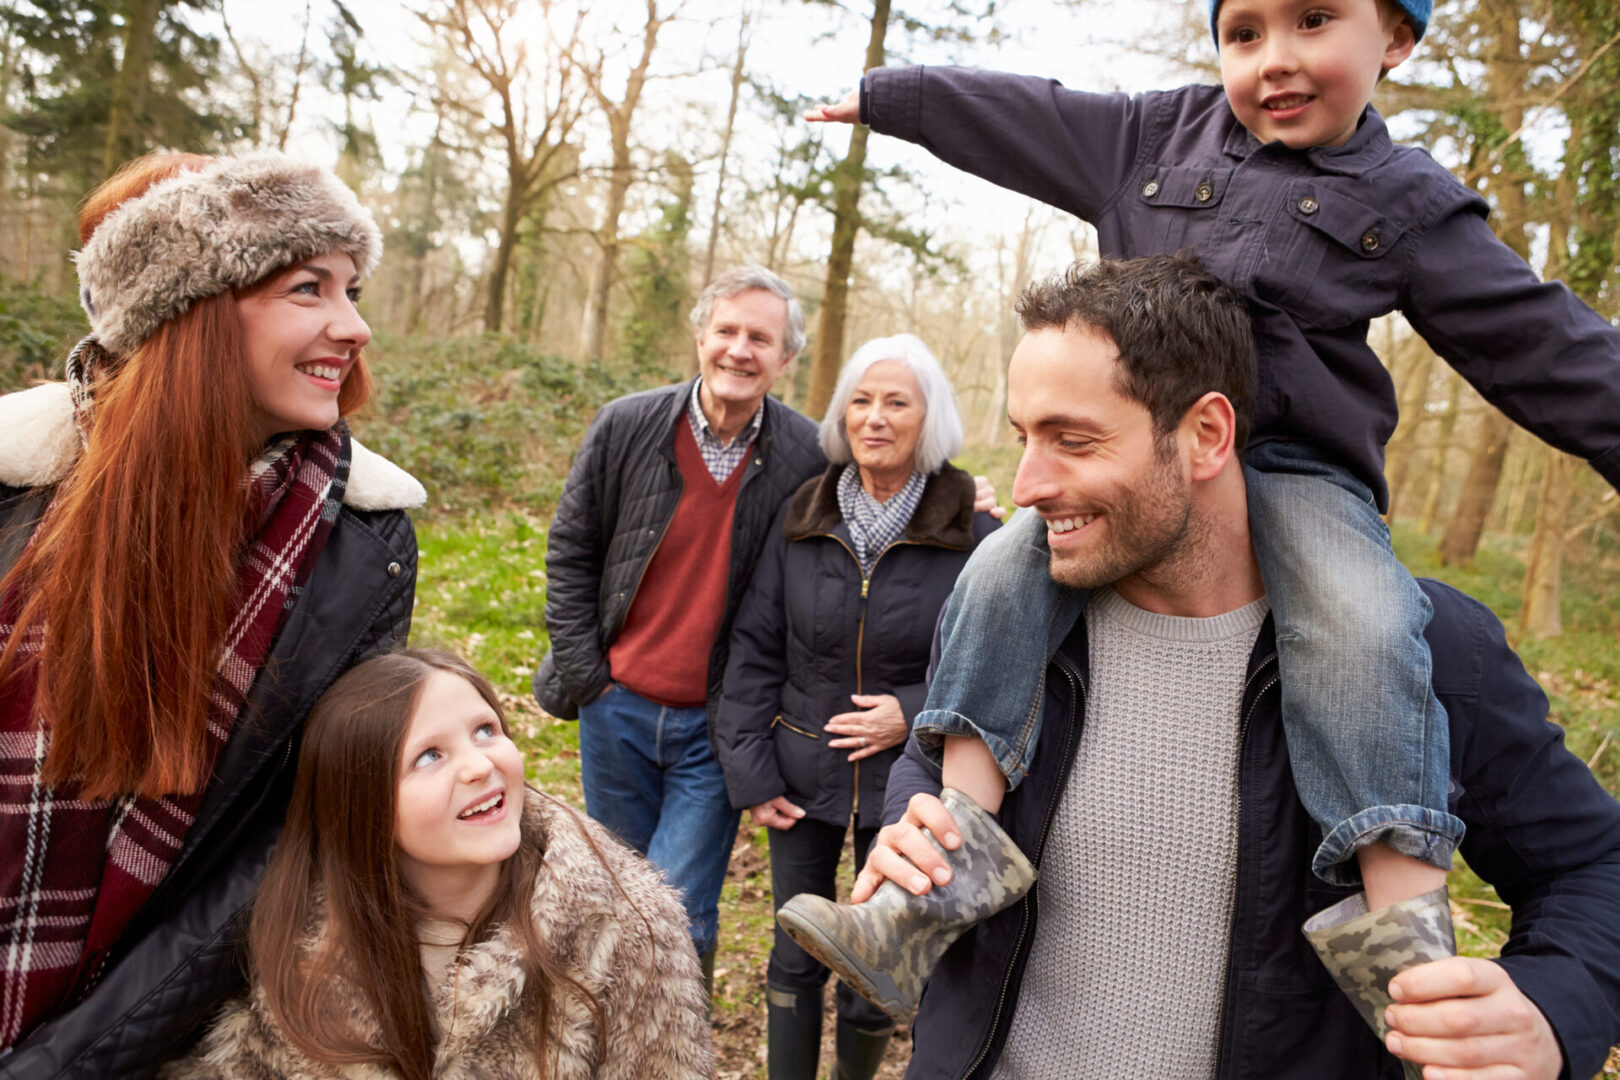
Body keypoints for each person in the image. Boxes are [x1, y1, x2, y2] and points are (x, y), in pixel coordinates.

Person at [796, 0, 1620, 1017]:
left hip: (1301, 475)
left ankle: (1408, 949)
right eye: (1245, 32)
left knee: (1361, 624)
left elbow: (1543, 344)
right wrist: (896, 95)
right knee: (1000, 571)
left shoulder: (1405, 200)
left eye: (1315, 20)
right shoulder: (1154, 136)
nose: (1276, 59)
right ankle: (935, 886)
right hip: (1137, 463)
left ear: (1397, 40)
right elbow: (1032, 116)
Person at [819, 256, 1620, 1080]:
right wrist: (912, 821)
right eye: (1026, 438)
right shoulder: (1013, 615)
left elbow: (1595, 866)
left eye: (1074, 441)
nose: (1027, 486)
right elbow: (932, 748)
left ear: (1206, 435)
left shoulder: (1424, 650)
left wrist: (1553, 1010)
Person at [0, 151, 424, 1078]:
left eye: (352, 290)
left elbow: (279, 847)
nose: (352, 327)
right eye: (308, 287)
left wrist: (72, 1059)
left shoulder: (361, 544)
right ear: (187, 310)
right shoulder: (12, 490)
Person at [164, 649, 714, 1080]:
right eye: (429, 755)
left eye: (486, 731)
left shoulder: (627, 928)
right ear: (363, 805)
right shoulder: (296, 939)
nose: (479, 765)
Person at [533, 265, 829, 985]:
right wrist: (588, 679)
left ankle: (675, 1043)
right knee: (616, 893)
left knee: (680, 908)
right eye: (726, 330)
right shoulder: (628, 425)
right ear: (700, 336)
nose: (739, 349)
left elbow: (884, 491)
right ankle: (615, 1036)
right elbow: (572, 551)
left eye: (760, 338)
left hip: (716, 725)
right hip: (617, 709)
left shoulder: (807, 454)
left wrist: (963, 497)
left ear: (785, 359)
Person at [715, 334, 999, 1080]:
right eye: (861, 402)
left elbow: (994, 662)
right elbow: (753, 649)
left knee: (877, 959)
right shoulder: (803, 513)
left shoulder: (973, 529)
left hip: (907, 787)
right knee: (796, 950)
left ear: (927, 419)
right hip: (801, 773)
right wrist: (752, 774)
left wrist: (910, 709)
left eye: (896, 402)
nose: (875, 418)